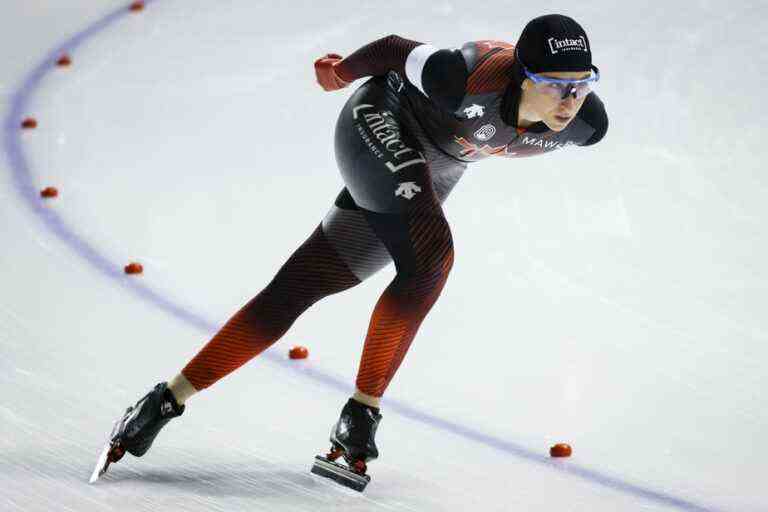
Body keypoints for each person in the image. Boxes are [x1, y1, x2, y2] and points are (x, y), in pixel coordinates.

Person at [96, 14, 608, 488]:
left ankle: (162, 402)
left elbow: (538, 117)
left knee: (302, 285)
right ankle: (361, 416)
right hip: (382, 118)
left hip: (439, 160)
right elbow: (391, 48)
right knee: (431, 257)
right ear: (521, 76)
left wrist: (570, 95)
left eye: (582, 84)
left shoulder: (587, 125)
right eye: (555, 85)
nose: (570, 100)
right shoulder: (463, 77)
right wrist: (339, 75)